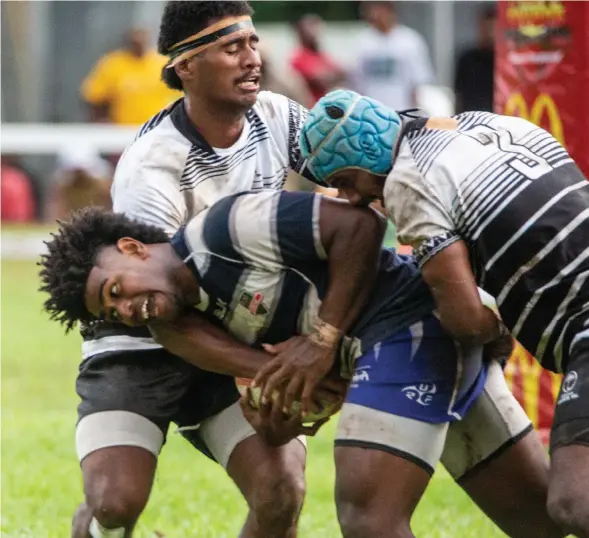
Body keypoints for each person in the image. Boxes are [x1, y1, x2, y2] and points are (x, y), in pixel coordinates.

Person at [40, 193, 563, 538]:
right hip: (406, 354)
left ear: (131, 248)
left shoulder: (220, 230)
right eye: (112, 314)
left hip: (412, 325)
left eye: (115, 290)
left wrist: (323, 337)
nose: (127, 309)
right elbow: (284, 387)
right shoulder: (176, 328)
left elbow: (361, 225)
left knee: (370, 522)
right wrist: (281, 414)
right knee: (549, 514)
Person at [70, 1, 318, 537]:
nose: (252, 59)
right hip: (141, 341)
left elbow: (351, 170)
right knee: (115, 502)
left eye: (253, 44)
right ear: (186, 66)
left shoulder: (275, 116)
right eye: (232, 48)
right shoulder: (151, 169)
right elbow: (160, 311)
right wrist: (266, 366)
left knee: (282, 491)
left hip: (229, 329)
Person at [299, 87, 589, 537]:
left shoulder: (408, 180)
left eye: (345, 182)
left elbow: (465, 319)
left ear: (364, 163)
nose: (351, 199)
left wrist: (496, 330)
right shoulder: (488, 122)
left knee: (574, 499)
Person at [81, 27, 181, 125]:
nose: (138, 43)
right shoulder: (113, 64)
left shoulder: (162, 63)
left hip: (156, 128)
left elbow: (180, 96)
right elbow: (94, 97)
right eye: (134, 41)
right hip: (122, 130)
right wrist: (100, 124)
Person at [351, 1, 434, 110]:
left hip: (400, 108)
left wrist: (413, 110)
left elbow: (417, 80)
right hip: (371, 109)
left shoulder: (409, 40)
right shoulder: (363, 41)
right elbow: (356, 79)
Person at [289, 14, 346, 105]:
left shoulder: (322, 55)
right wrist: (330, 75)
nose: (313, 32)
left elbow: (343, 73)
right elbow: (320, 80)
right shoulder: (298, 58)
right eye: (309, 28)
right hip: (311, 108)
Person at [454, 5, 497, 113]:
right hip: (470, 121)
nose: (489, 33)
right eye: (486, 28)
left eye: (492, 28)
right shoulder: (467, 59)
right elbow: (458, 96)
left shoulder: (505, 62)